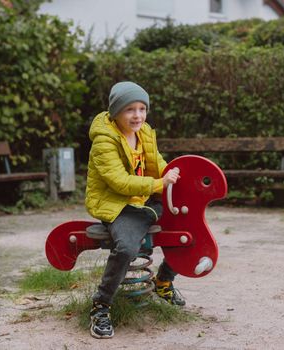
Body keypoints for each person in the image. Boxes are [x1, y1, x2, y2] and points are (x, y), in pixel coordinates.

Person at [85, 81, 185, 339]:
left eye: (142, 108)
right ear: (116, 111)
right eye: (130, 109)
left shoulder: (145, 133)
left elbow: (156, 163)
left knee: (187, 224)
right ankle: (101, 305)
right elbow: (118, 181)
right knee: (127, 248)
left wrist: (169, 175)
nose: (138, 115)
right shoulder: (104, 141)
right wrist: (158, 183)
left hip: (144, 198)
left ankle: (163, 281)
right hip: (118, 203)